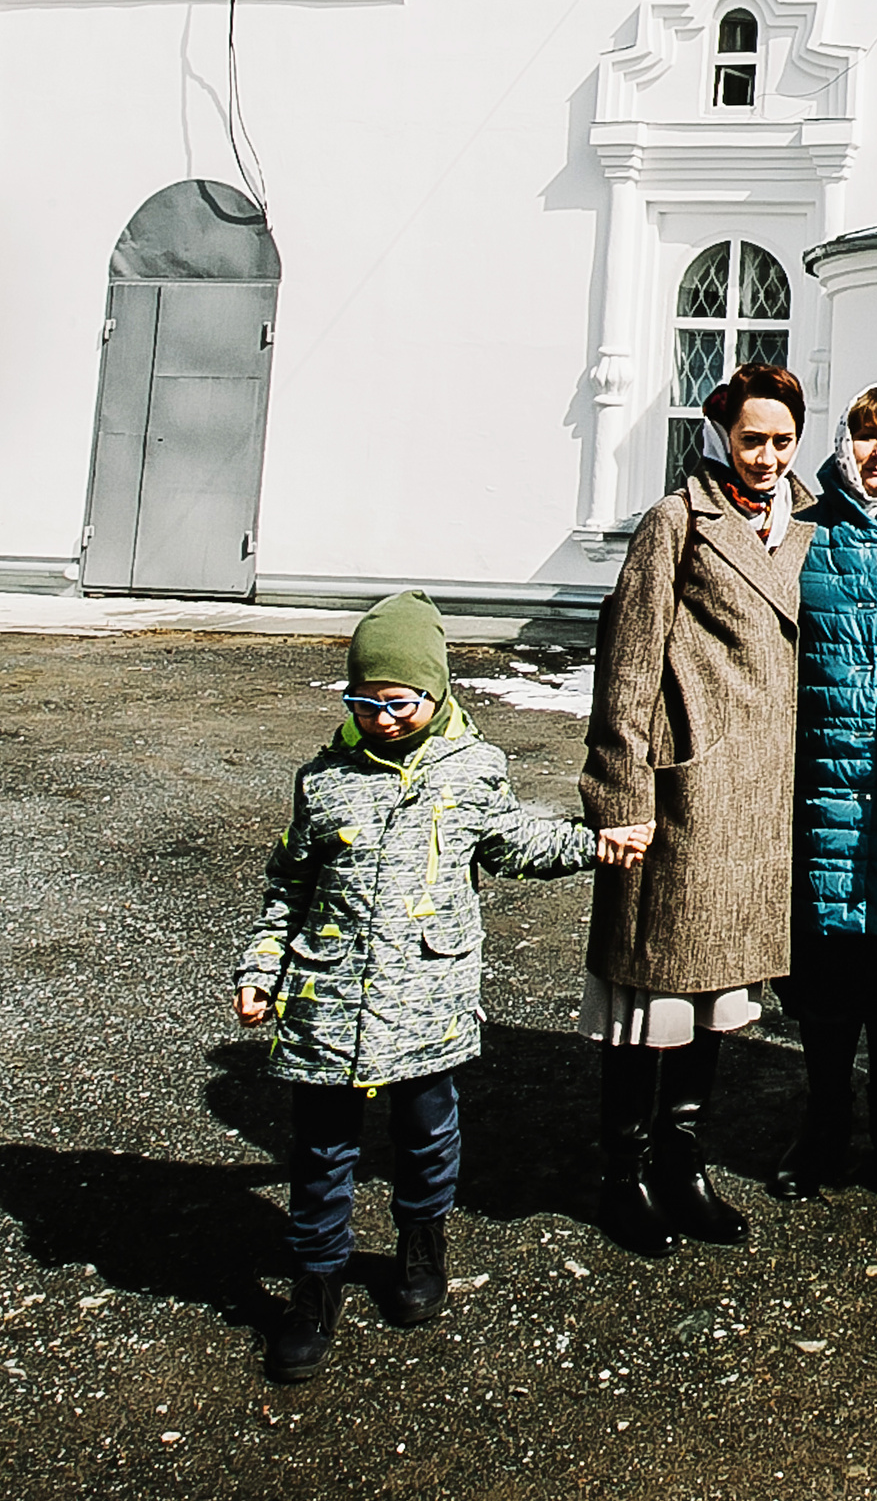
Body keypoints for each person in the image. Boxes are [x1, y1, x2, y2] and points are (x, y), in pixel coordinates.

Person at [236, 591, 628, 1383]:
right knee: (321, 1151)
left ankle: (422, 1246)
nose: (380, 718)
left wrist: (598, 844)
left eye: (399, 702)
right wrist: (261, 970)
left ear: (436, 693)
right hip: (328, 1001)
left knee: (426, 1135)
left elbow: (518, 841)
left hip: (427, 1000)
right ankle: (314, 1285)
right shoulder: (325, 781)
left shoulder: (471, 769)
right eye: (364, 702)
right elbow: (288, 888)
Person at [582, 363, 813, 1258]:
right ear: (722, 433)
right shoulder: (677, 521)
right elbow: (628, 666)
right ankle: (623, 1174)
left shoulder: (805, 526)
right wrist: (620, 792)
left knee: (717, 999)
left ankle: (685, 1165)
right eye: (751, 440)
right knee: (653, 996)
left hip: (759, 802)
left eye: (782, 441)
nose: (765, 457)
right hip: (685, 793)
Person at [773, 381, 877, 1204]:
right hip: (823, 780)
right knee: (827, 961)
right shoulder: (807, 533)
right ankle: (827, 1114)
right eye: (867, 435)